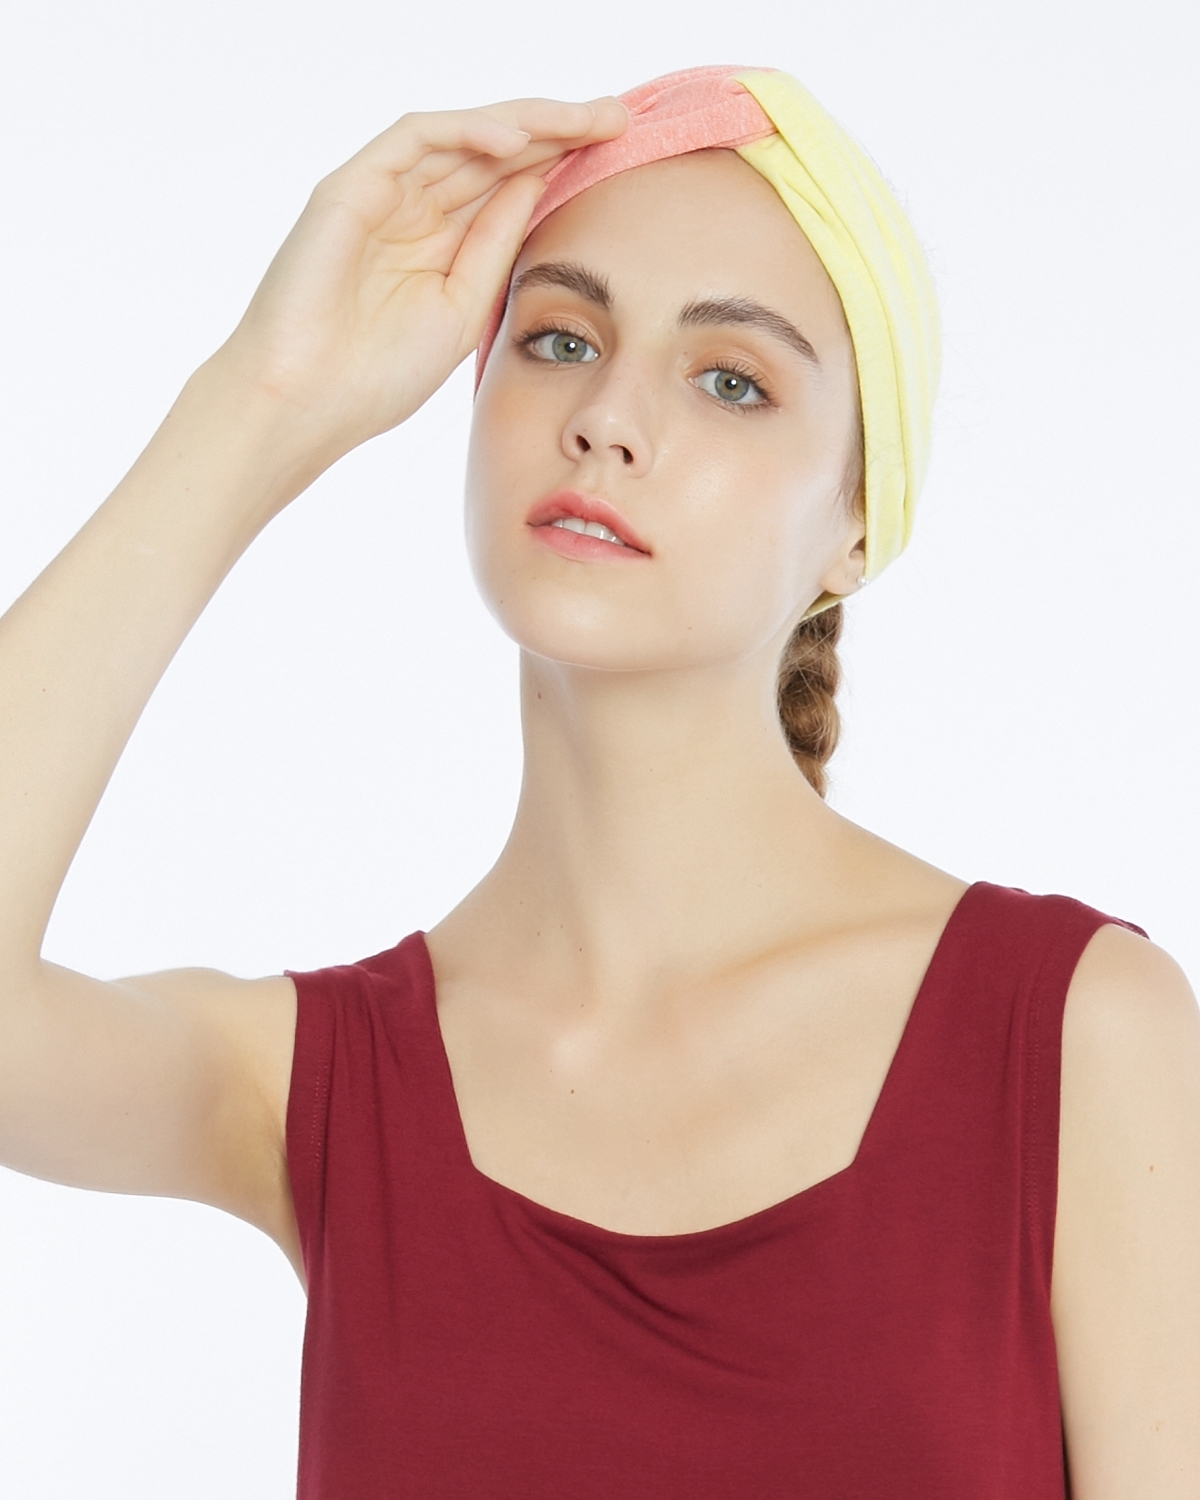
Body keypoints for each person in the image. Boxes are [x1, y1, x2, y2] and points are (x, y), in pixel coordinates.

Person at [0, 62, 1196, 1499]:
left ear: (857, 522)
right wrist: (265, 399)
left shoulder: (1076, 1037)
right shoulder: (320, 1085)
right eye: (561, 339)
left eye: (732, 380)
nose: (608, 417)